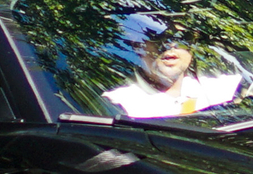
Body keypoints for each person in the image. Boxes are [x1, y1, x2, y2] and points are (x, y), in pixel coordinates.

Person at [103, 28, 245, 117]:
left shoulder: (220, 88)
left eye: (182, 38)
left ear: (192, 48)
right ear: (138, 46)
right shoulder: (118, 103)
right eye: (159, 37)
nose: (171, 46)